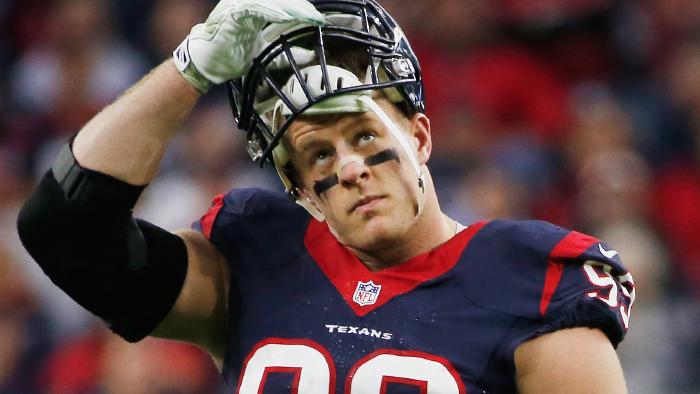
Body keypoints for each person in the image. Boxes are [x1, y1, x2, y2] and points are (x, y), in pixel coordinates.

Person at [17, 0, 635, 392]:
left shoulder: (534, 280)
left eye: (365, 135)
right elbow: (64, 231)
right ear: (298, 190)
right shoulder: (259, 258)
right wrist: (188, 71)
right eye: (317, 154)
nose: (350, 168)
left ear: (420, 136)